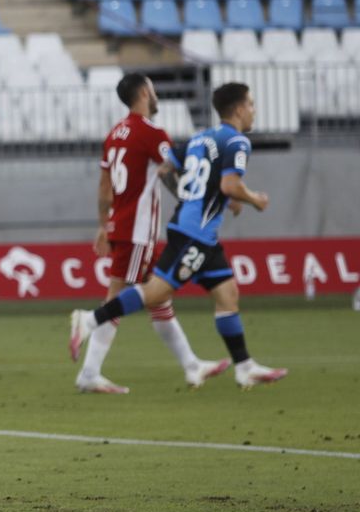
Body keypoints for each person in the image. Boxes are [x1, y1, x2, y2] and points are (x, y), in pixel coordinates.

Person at [70, 84, 288, 390]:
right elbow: (229, 185)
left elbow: (165, 168)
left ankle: (243, 367)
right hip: (191, 233)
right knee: (155, 292)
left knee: (227, 294)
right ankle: (90, 320)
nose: (254, 110)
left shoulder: (201, 137)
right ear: (239, 109)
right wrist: (254, 199)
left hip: (200, 234)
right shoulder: (237, 142)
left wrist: (191, 195)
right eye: (251, 105)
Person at [73, 75, 229, 393]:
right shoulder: (151, 133)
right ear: (145, 92)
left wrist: (103, 224)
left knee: (159, 297)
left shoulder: (115, 134)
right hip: (138, 229)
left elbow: (104, 185)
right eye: (153, 90)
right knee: (116, 299)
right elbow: (172, 172)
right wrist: (196, 205)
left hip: (124, 225)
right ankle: (88, 342)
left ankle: (192, 366)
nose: (156, 95)